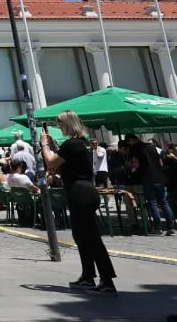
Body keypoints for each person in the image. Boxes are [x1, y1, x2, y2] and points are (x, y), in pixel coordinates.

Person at [41, 111, 117, 297]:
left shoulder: (73, 144)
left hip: (80, 192)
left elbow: (50, 162)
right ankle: (88, 275)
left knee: (90, 237)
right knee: (81, 235)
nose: (59, 128)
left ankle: (106, 279)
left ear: (68, 125)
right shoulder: (80, 144)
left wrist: (44, 144)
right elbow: (64, 159)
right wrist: (53, 146)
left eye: (61, 125)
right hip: (84, 190)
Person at [125, 133, 177, 235]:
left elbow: (135, 163)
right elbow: (160, 162)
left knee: (152, 202)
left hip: (147, 178)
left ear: (130, 140)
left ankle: (158, 228)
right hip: (159, 177)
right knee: (163, 202)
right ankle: (171, 227)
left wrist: (131, 168)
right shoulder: (151, 146)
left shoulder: (134, 149)